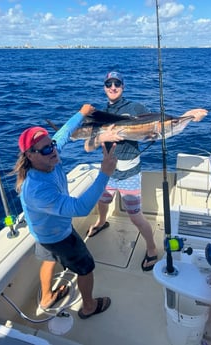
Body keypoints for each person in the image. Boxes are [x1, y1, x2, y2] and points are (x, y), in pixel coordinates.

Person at [13, 104, 118, 319]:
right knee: (86, 268)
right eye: (44, 149)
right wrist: (104, 173)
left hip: (41, 233)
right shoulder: (37, 189)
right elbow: (80, 208)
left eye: (50, 145)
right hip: (58, 236)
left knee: (49, 259)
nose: (52, 150)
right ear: (30, 156)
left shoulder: (50, 156)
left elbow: (63, 133)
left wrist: (81, 112)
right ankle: (88, 306)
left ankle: (46, 298)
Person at [84, 71, 158, 271]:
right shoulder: (100, 115)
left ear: (123, 86)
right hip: (107, 172)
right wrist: (102, 138)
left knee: (135, 216)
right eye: (109, 84)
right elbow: (88, 147)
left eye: (117, 83)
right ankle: (101, 222)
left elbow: (153, 129)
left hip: (129, 174)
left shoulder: (134, 107)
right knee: (102, 201)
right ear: (104, 87)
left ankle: (152, 249)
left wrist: (154, 134)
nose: (113, 87)